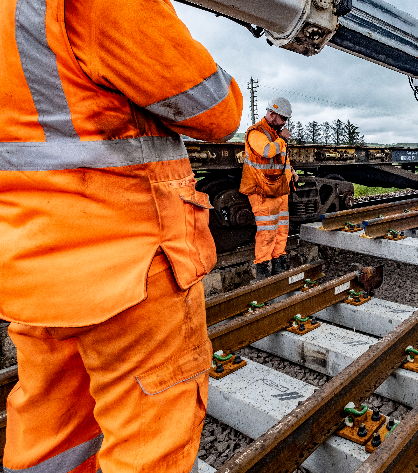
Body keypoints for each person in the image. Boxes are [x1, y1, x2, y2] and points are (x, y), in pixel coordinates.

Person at [0, 0, 242, 471]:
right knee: (151, 441)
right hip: (130, 267)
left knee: (51, 437)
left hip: (33, 265)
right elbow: (217, 111)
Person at [240, 97, 299, 280]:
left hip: (278, 189)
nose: (284, 123)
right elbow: (267, 152)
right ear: (272, 114)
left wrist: (292, 173)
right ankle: (263, 269)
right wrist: (282, 139)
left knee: (281, 229)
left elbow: (281, 160)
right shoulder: (256, 132)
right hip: (262, 190)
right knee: (266, 231)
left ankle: (279, 263)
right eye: (283, 118)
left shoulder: (275, 133)